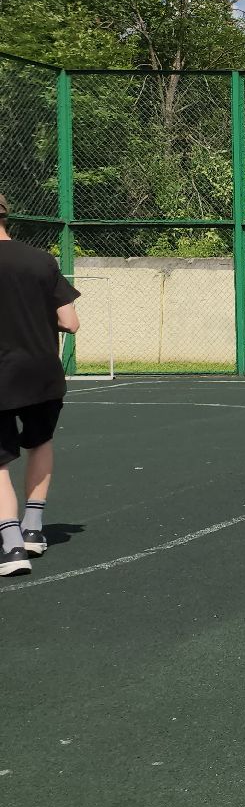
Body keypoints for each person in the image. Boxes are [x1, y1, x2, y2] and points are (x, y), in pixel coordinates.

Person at [0, 191, 82, 578]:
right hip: (42, 372)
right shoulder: (41, 260)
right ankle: (33, 528)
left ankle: (11, 545)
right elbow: (71, 321)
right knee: (40, 442)